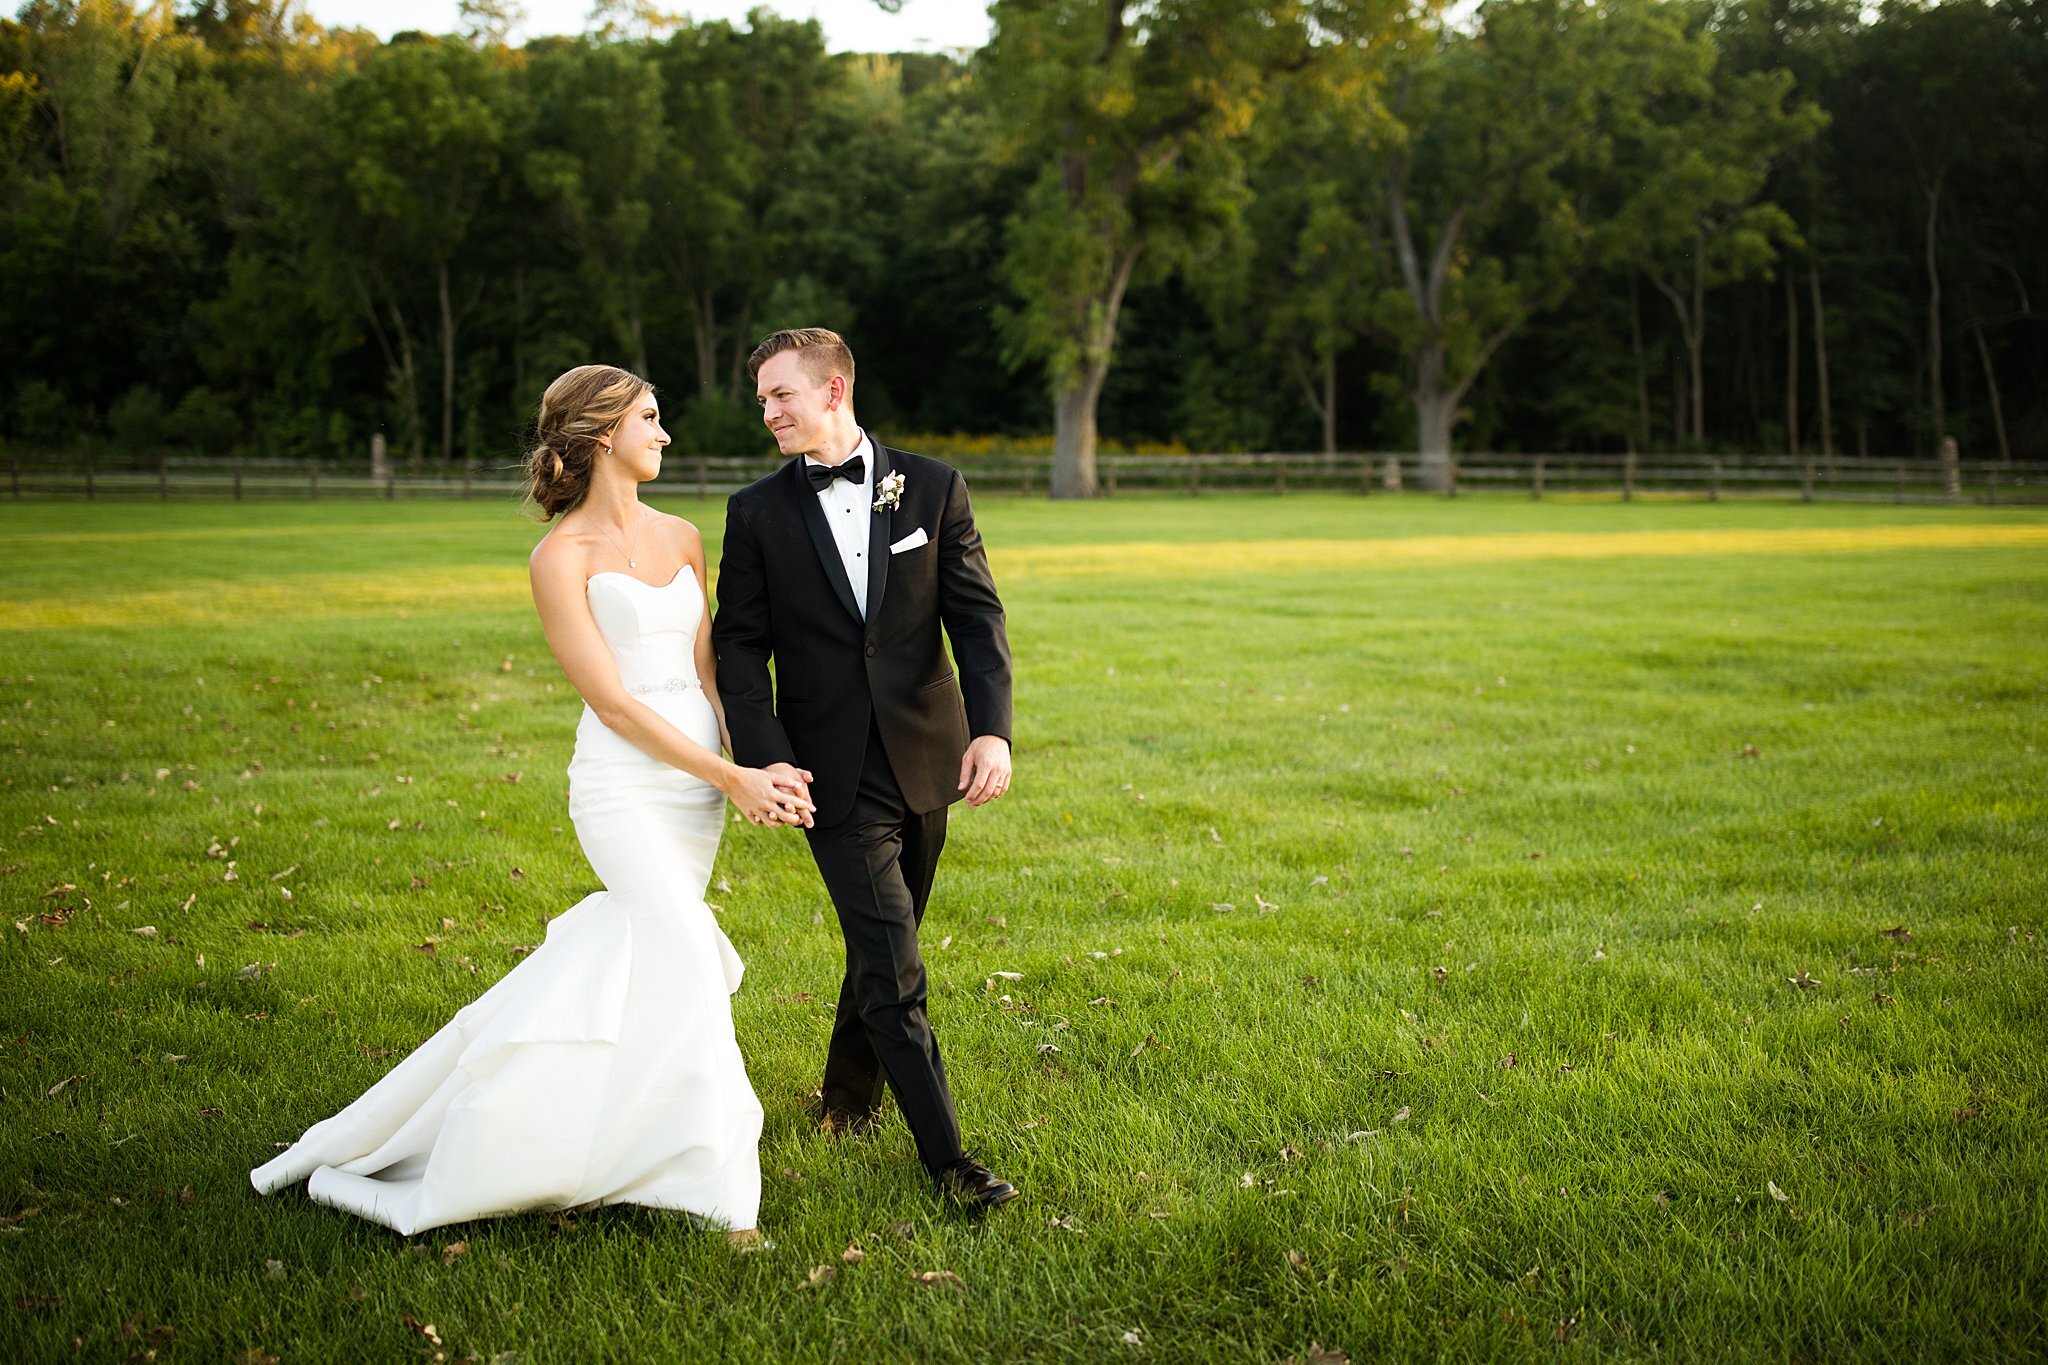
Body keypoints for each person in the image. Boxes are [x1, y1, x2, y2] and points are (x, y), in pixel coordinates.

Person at [251, 365, 808, 1242]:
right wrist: (725, 774)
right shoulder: (560, 558)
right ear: (602, 437)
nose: (666, 435)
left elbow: (710, 671)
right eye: (651, 420)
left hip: (696, 791)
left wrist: (747, 767)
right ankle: (721, 1195)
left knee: (645, 960)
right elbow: (617, 705)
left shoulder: (686, 535)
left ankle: (570, 1130)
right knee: (691, 963)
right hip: (623, 788)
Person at [713, 327, 1019, 1208]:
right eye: (764, 398)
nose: (767, 411)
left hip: (928, 757)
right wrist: (765, 755)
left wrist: (991, 731)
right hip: (826, 771)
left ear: (834, 390)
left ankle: (847, 1096)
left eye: (781, 395)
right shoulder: (756, 512)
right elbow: (739, 646)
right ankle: (951, 1163)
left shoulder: (933, 486)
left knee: (885, 942)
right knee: (893, 962)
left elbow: (977, 620)